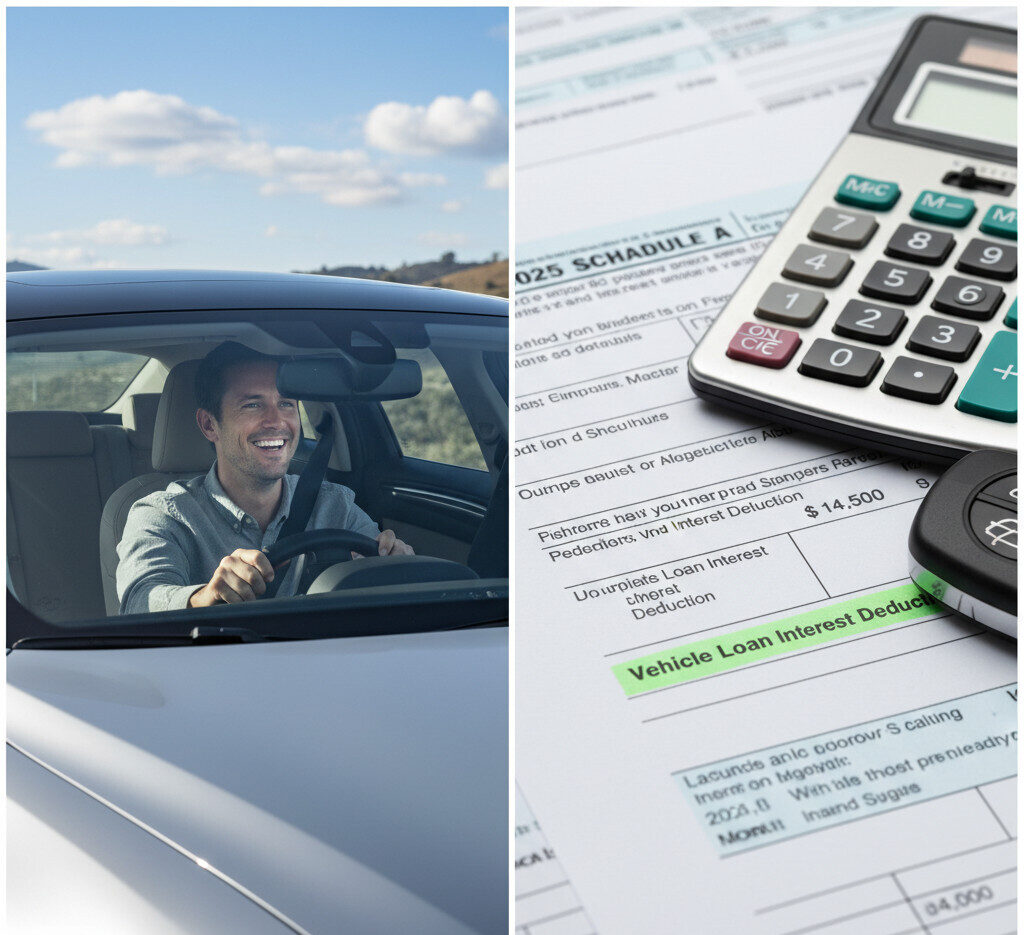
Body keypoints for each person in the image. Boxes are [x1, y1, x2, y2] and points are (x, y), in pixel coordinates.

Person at [117, 342, 413, 614]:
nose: (276, 421)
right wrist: (205, 596)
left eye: (286, 403)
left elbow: (383, 583)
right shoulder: (164, 515)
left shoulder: (335, 504)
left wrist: (397, 564)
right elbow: (141, 599)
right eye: (253, 404)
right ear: (209, 424)